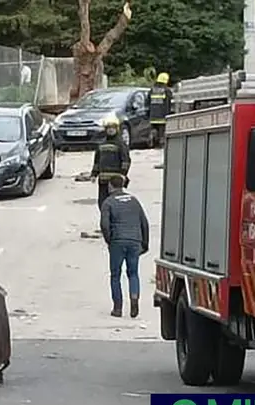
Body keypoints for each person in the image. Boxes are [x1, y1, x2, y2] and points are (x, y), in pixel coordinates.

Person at [99, 173, 150, 318]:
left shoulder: (108, 202)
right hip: (134, 241)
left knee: (115, 275)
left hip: (118, 241)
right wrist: (145, 243)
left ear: (110, 186)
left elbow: (104, 224)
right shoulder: (134, 200)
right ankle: (134, 299)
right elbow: (144, 222)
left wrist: (109, 240)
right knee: (133, 273)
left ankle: (118, 308)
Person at [91, 113, 131, 213]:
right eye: (108, 128)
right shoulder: (101, 144)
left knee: (115, 202)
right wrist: (94, 174)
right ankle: (105, 223)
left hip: (115, 180)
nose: (110, 130)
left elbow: (126, 160)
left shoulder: (120, 144)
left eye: (113, 128)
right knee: (102, 202)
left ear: (117, 129)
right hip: (103, 179)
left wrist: (123, 174)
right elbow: (97, 161)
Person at [147, 72, 173, 146]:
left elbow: (148, 101)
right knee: (162, 131)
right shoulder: (166, 90)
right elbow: (168, 103)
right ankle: (161, 143)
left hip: (153, 115)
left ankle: (152, 136)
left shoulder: (152, 90)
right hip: (162, 116)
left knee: (153, 129)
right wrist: (168, 114)